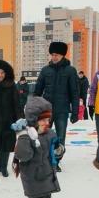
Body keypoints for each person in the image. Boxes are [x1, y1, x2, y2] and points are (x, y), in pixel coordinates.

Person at [13, 97, 64, 198]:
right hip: (34, 178)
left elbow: (55, 153)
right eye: (43, 121)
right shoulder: (27, 135)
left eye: (48, 120)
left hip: (47, 176)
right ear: (34, 120)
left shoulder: (50, 133)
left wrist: (59, 150)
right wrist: (22, 136)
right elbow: (23, 156)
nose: (46, 123)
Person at [34, 41, 79, 172]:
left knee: (59, 137)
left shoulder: (70, 71)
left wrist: (75, 112)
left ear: (63, 55)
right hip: (46, 111)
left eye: (57, 55)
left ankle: (56, 161)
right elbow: (37, 91)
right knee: (43, 136)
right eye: (52, 54)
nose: (54, 57)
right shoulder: (45, 70)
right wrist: (35, 108)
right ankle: (44, 159)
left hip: (62, 111)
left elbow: (74, 92)